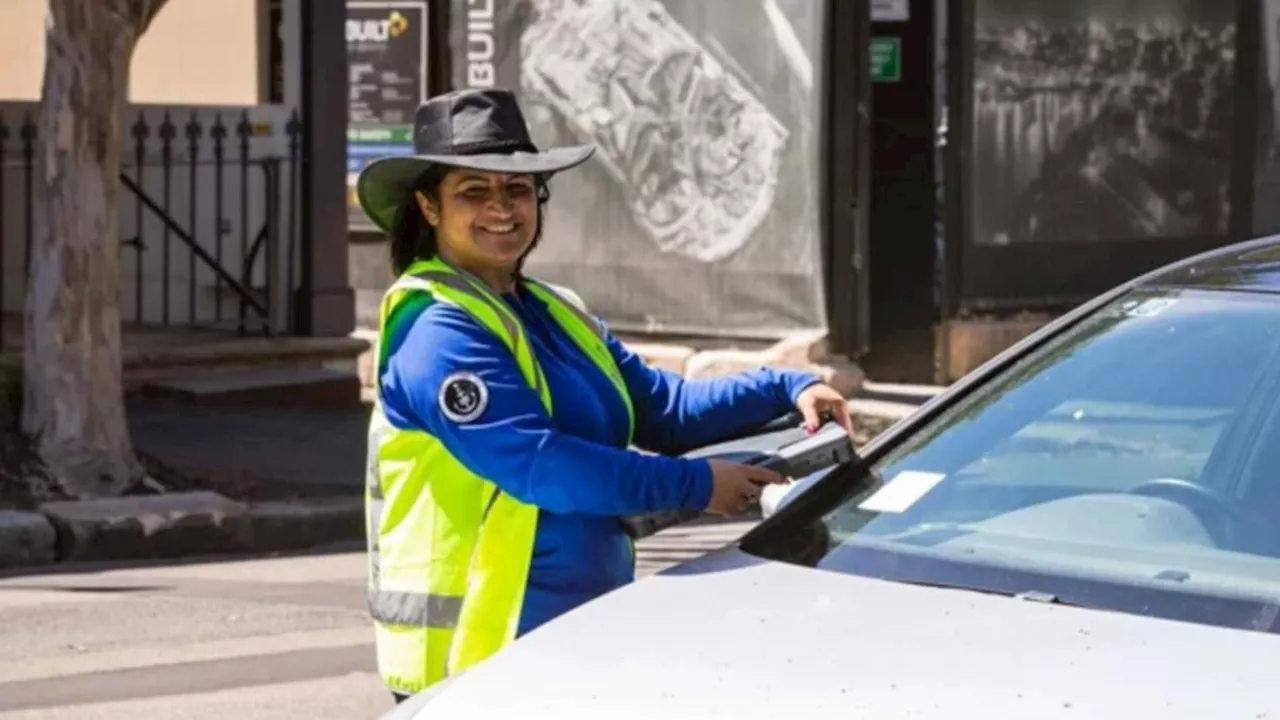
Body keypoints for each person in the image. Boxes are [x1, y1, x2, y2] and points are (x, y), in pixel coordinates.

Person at [356, 87, 852, 704]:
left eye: (517, 188)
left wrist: (788, 384)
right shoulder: (436, 328)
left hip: (569, 636)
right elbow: (541, 466)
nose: (501, 208)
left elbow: (664, 410)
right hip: (478, 662)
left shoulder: (552, 309)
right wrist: (696, 486)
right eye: (473, 191)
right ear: (429, 207)